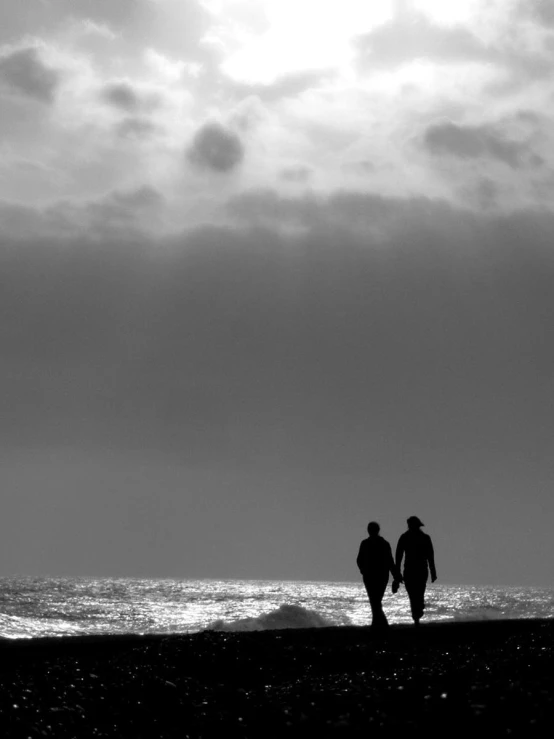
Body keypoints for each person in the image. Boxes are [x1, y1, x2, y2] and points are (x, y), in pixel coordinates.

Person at [357, 522, 402, 629]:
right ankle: (379, 623)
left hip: (370, 576)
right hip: (381, 576)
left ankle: (379, 623)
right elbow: (390, 562)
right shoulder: (384, 543)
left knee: (374, 600)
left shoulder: (365, 543)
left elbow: (359, 560)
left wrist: (363, 570)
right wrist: (396, 576)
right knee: (376, 600)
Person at [395, 516, 437, 625]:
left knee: (415, 595)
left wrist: (433, 571)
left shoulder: (406, 537)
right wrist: (433, 572)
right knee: (416, 594)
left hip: (413, 570)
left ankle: (417, 614)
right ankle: (417, 615)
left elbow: (399, 555)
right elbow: (430, 556)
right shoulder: (423, 538)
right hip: (418, 570)